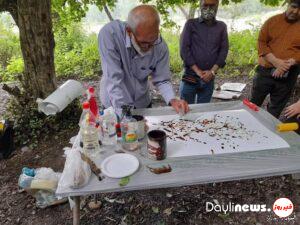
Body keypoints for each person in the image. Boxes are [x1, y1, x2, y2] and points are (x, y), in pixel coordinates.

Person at [98, 5, 189, 116]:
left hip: (142, 102)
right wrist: (124, 117)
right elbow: (113, 80)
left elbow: (162, 80)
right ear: (129, 31)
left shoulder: (160, 46)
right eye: (143, 43)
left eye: (153, 41)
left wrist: (173, 100)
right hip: (113, 104)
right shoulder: (110, 35)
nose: (149, 47)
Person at [250, 0, 300, 118]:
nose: (296, 11)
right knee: (253, 105)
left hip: (289, 75)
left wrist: (291, 62)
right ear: (287, 5)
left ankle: (267, 133)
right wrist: (276, 62)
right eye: (293, 7)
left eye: (299, 9)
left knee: (275, 110)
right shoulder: (272, 21)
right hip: (265, 72)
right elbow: (261, 42)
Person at [179, 0, 229, 104]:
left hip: (209, 80)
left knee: (204, 111)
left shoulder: (221, 26)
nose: (208, 8)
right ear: (200, 5)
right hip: (190, 77)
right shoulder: (190, 24)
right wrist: (198, 71)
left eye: (212, 5)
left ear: (217, 6)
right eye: (205, 5)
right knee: (185, 111)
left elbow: (223, 50)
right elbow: (184, 49)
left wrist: (212, 72)